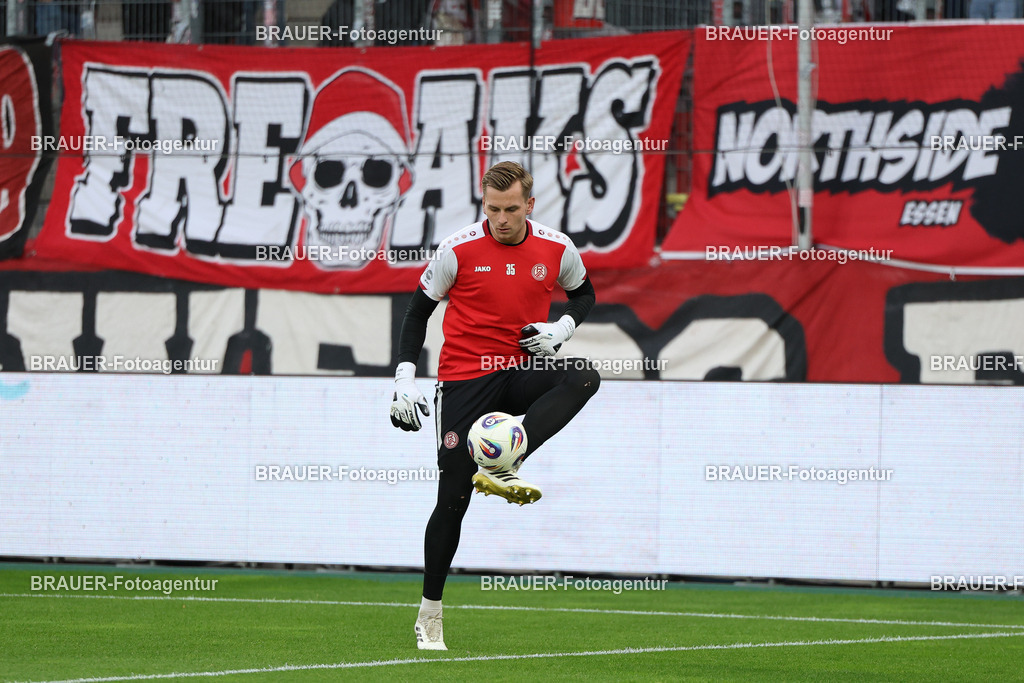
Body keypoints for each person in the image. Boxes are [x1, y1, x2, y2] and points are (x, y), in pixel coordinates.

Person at [389, 160, 600, 651]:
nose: (501, 219)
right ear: (483, 204)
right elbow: (417, 312)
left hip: (520, 371)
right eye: (492, 209)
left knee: (583, 375)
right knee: (453, 498)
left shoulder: (557, 247)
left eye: (511, 209)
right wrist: (403, 379)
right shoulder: (457, 249)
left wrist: (561, 328)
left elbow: (584, 294)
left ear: (530, 205)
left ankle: (508, 459)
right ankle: (430, 614)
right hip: (465, 380)